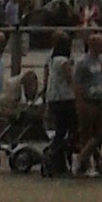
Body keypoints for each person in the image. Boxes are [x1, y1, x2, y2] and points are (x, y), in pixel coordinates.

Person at [73, 32, 102, 175]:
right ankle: (86, 165)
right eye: (100, 44)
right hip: (87, 101)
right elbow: (76, 84)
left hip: (100, 100)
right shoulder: (82, 62)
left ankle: (82, 156)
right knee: (86, 133)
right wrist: (80, 102)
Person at [44, 34, 77, 173]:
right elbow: (71, 79)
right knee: (73, 129)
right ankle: (60, 154)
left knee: (60, 130)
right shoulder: (63, 61)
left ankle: (56, 156)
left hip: (53, 98)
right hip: (65, 98)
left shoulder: (51, 60)